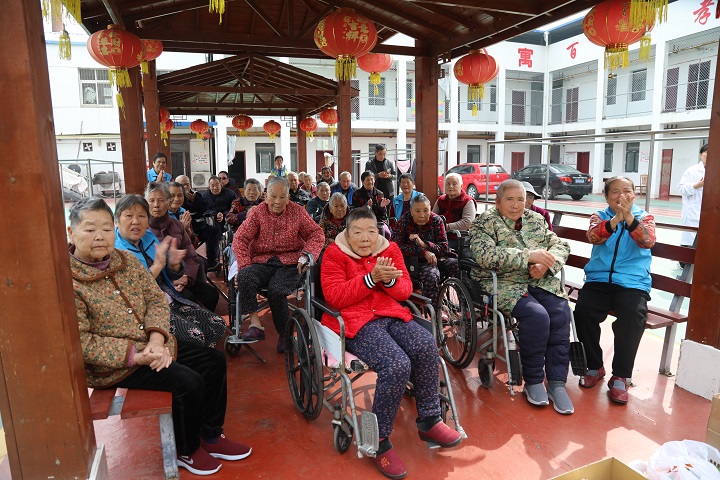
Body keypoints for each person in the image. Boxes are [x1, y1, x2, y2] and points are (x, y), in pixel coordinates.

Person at [68, 197, 250, 476]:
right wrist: (139, 355)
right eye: (90, 229)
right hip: (115, 365)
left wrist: (156, 338)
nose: (100, 237)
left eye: (105, 229)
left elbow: (155, 300)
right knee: (188, 382)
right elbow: (82, 343)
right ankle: (187, 450)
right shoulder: (68, 280)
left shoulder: (125, 261)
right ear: (71, 232)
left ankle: (211, 436)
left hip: (150, 344)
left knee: (213, 360)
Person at [321, 207, 462, 479]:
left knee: (426, 344)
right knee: (397, 364)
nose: (365, 238)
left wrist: (387, 281)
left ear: (378, 232)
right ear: (347, 234)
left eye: (370, 232)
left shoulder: (390, 250)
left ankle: (429, 419)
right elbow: (335, 296)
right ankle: (379, 439)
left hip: (391, 314)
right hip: (356, 322)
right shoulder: (334, 254)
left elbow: (405, 290)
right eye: (357, 232)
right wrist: (370, 279)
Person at [469, 179, 574, 414]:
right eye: (510, 199)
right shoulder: (484, 222)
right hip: (504, 282)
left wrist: (547, 264)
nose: (516, 205)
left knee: (560, 313)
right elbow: (485, 256)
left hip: (539, 280)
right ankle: (534, 380)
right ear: (497, 202)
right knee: (537, 317)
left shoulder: (535, 220)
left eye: (520, 199)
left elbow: (560, 245)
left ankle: (557, 383)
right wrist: (529, 256)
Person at [574, 176, 655, 405]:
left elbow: (648, 241)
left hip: (632, 282)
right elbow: (594, 237)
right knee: (583, 311)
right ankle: (594, 366)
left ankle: (620, 375)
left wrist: (628, 218)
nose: (621, 196)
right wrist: (616, 218)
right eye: (615, 192)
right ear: (607, 196)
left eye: (626, 191)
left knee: (633, 316)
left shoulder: (645, 218)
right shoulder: (599, 216)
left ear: (634, 195)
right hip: (599, 279)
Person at [114, 193, 226, 348]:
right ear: (116, 221)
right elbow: (132, 291)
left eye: (141, 216)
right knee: (195, 336)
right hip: (148, 311)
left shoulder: (148, 237)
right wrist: (157, 266)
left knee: (218, 325)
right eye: (129, 216)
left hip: (170, 298)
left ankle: (199, 355)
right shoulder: (115, 252)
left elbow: (172, 273)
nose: (136, 221)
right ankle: (192, 357)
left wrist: (174, 265)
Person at [232, 176, 324, 351]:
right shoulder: (258, 212)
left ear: (288, 198)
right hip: (262, 261)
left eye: (282, 197)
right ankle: (255, 325)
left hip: (290, 263)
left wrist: (306, 256)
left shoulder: (297, 212)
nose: (277, 201)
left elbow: (316, 234)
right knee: (244, 276)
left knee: (276, 290)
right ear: (266, 196)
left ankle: (285, 335)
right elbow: (240, 239)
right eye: (273, 196)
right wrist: (244, 264)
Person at [146, 182, 220, 312]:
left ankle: (205, 322)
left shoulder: (177, 225)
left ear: (168, 202)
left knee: (211, 295)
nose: (156, 205)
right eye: (151, 201)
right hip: (158, 280)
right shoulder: (143, 227)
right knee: (189, 299)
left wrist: (186, 277)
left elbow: (191, 255)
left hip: (180, 274)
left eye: (161, 200)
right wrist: (171, 280)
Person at [391, 194, 458, 305]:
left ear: (430, 209)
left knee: (458, 265)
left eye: (426, 211)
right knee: (431, 275)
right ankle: (435, 310)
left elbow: (444, 248)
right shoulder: (404, 221)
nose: (422, 215)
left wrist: (424, 244)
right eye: (417, 211)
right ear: (411, 211)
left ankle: (466, 306)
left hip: (440, 258)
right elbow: (396, 246)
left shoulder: (436, 220)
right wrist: (423, 252)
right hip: (416, 262)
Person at [177, 174, 219, 263]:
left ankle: (212, 260)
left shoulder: (197, 195)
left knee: (213, 231)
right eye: (182, 185)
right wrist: (185, 201)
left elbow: (204, 210)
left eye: (187, 184)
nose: (186, 187)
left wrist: (194, 201)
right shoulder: (176, 198)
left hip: (199, 227)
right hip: (183, 229)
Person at [201, 176, 237, 269]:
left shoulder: (230, 193)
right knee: (212, 229)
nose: (215, 187)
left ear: (221, 185)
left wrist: (224, 215)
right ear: (209, 186)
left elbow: (235, 206)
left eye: (217, 185)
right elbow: (204, 209)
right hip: (212, 221)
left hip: (228, 220)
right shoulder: (205, 196)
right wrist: (215, 214)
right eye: (212, 185)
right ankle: (213, 259)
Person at [677, 143, 707, 252]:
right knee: (689, 243)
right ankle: (684, 258)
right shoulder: (692, 170)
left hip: (710, 213)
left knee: (706, 243)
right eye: (706, 152)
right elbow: (681, 188)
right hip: (693, 212)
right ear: (700, 155)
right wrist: (695, 186)